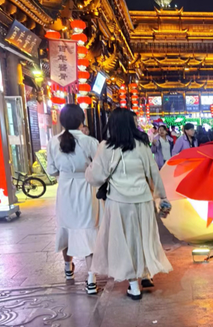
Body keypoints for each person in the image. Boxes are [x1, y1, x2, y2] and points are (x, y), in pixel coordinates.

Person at [86, 108, 173, 300]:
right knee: (142, 237)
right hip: (142, 200)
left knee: (123, 241)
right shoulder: (141, 145)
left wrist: (88, 170)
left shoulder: (106, 147)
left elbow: (96, 176)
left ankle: (134, 285)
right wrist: (161, 197)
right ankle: (146, 274)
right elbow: (153, 173)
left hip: (118, 202)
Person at [46, 104, 100, 294]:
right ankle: (91, 279)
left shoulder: (53, 142)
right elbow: (99, 168)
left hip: (65, 189)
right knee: (88, 230)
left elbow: (51, 171)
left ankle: (68, 269)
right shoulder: (90, 142)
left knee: (66, 228)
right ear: (81, 120)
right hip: (86, 188)